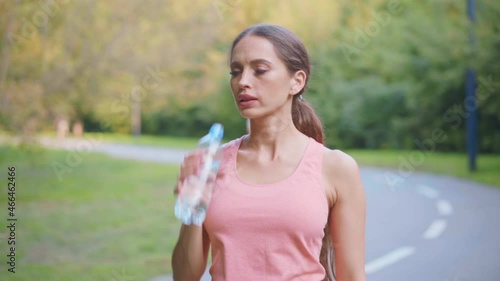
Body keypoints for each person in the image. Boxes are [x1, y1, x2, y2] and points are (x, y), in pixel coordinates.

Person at [172, 24, 366, 281]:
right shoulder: (213, 164)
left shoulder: (336, 167)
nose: (243, 82)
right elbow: (185, 277)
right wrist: (192, 206)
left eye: (260, 70)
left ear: (296, 81)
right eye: (235, 71)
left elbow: (351, 276)